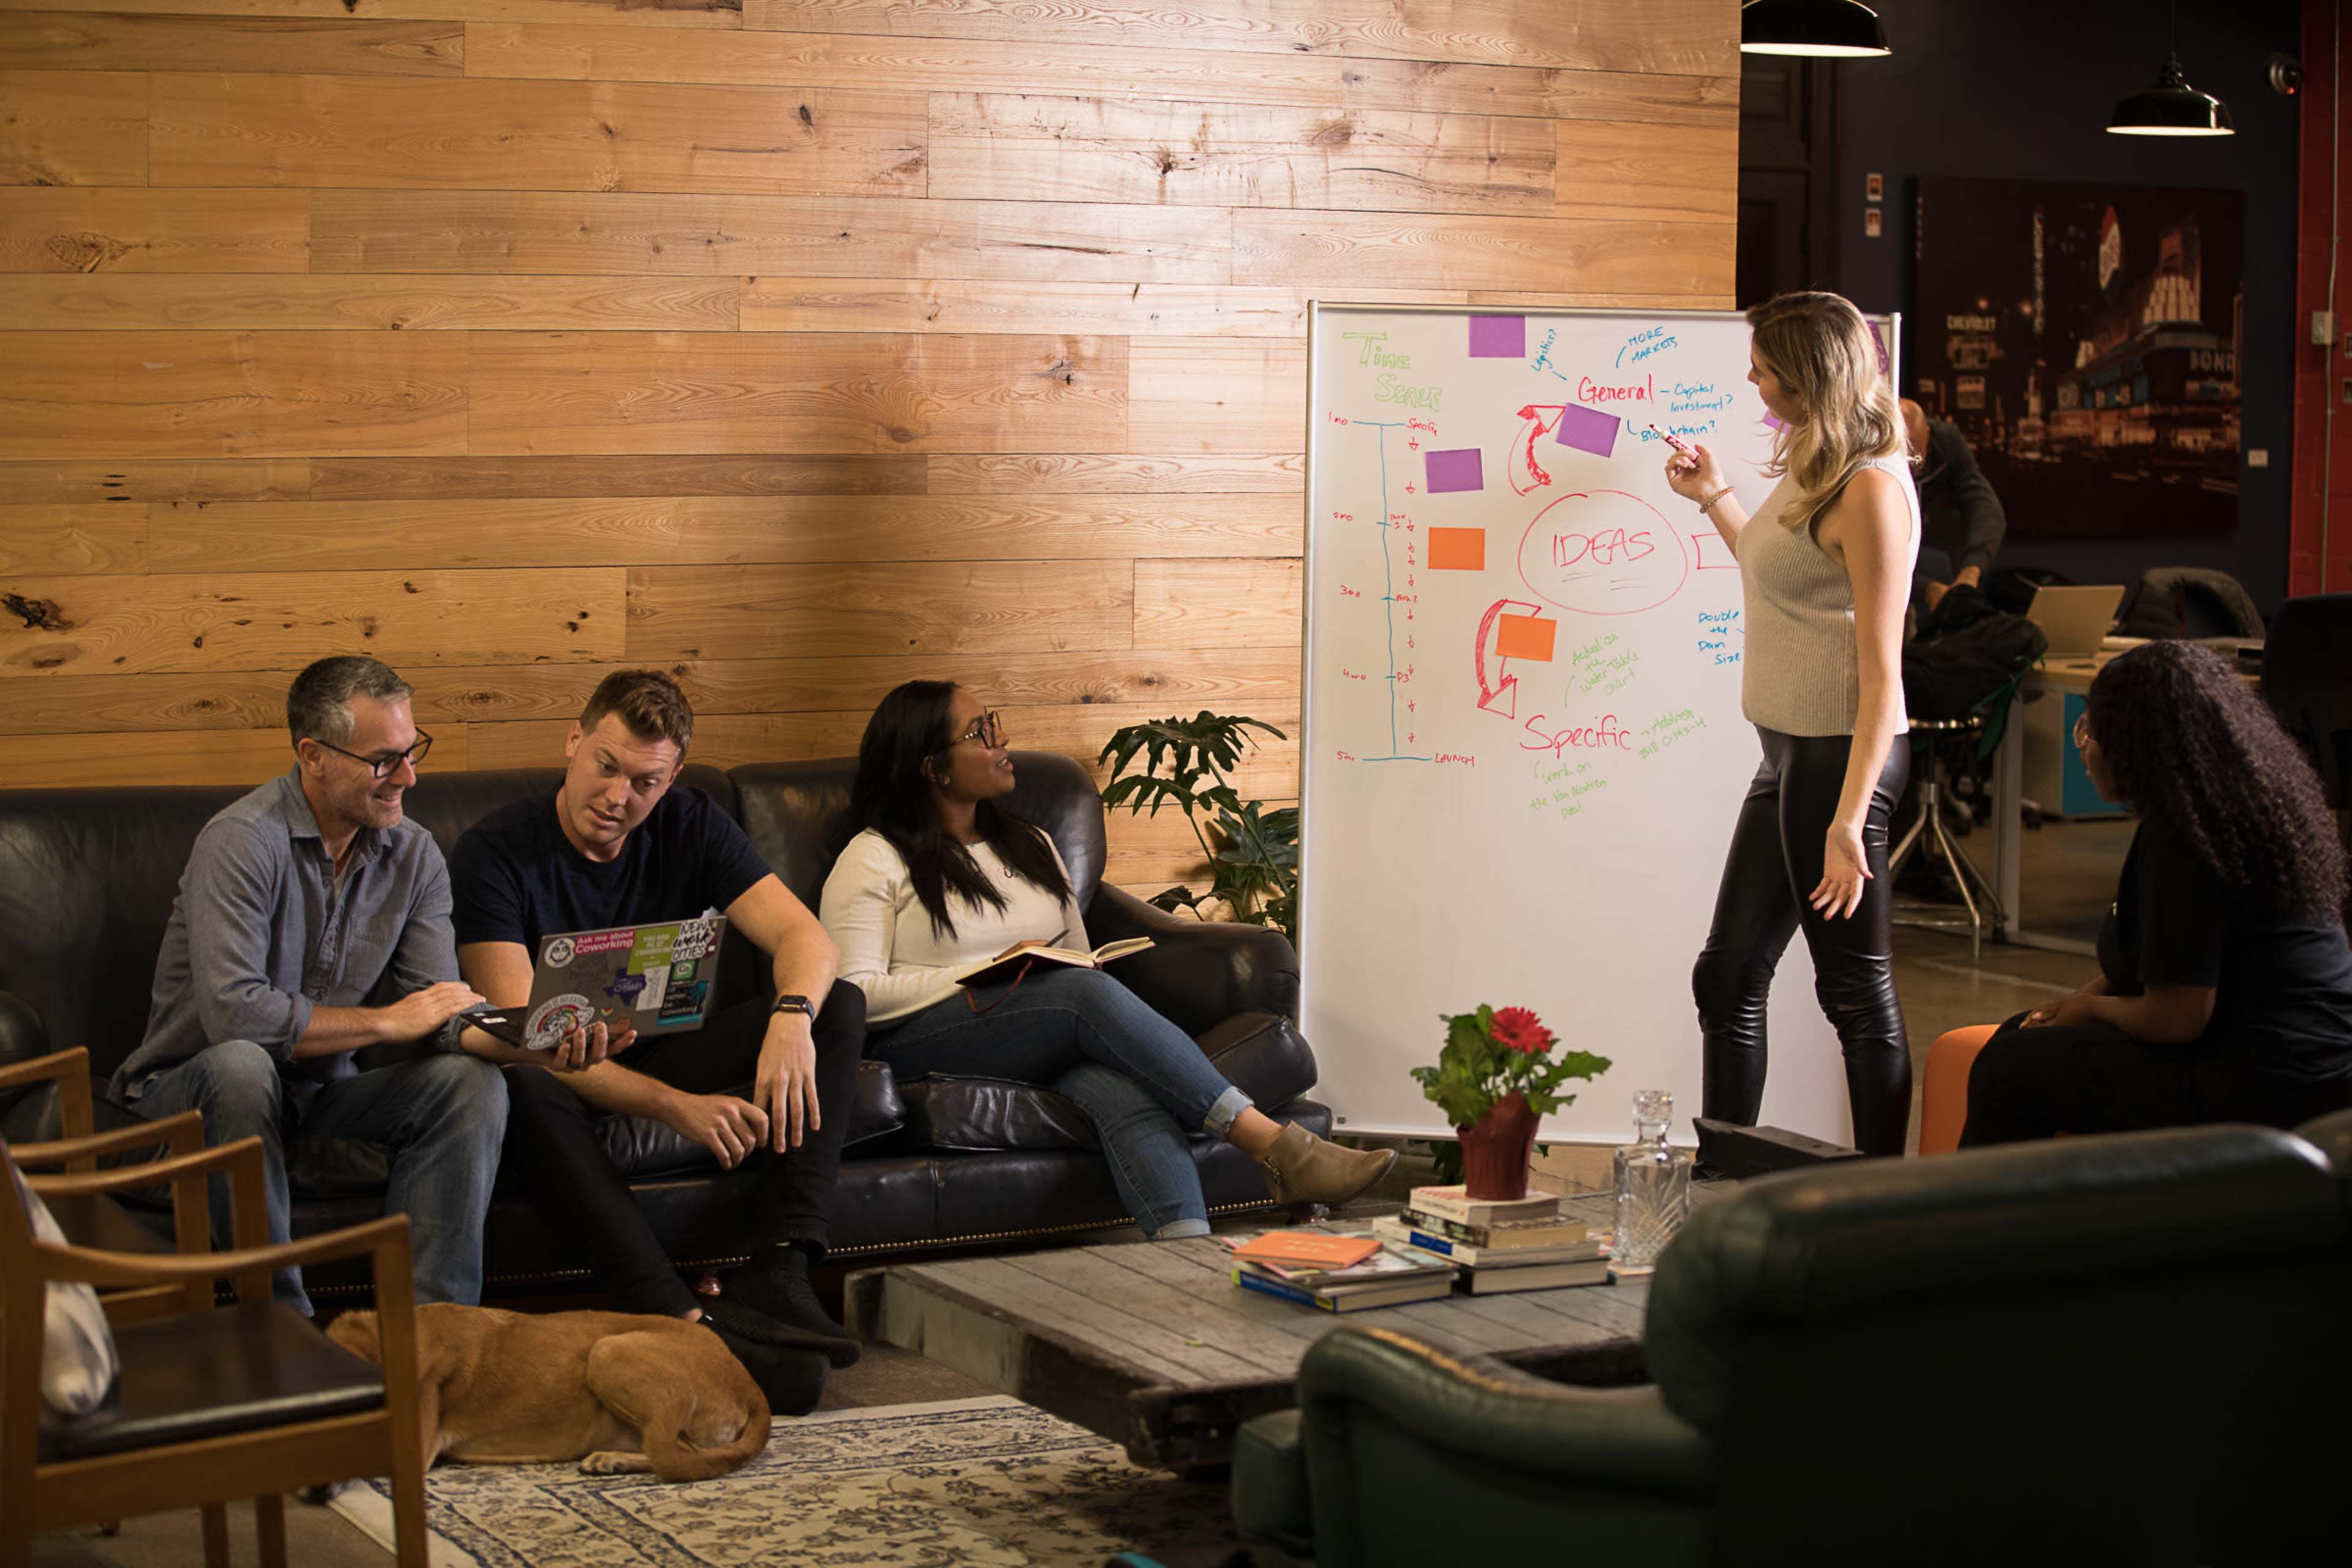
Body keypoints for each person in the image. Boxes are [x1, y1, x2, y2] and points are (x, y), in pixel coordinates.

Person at [818, 682, 1396, 1237]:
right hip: (922, 1043)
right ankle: (1276, 1147)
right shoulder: (874, 859)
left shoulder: (1032, 844)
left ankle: (1186, 1259)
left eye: (995, 725)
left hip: (1041, 1034)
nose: (1001, 743)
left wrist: (1062, 969)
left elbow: (1074, 957)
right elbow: (851, 996)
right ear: (933, 767)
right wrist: (985, 972)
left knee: (1124, 1093)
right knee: (1081, 999)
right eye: (980, 732)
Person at [448, 671, 865, 1414]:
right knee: (525, 1084)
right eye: (605, 766)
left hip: (664, 1047)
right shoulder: (495, 851)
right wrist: (677, 1108)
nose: (617, 797)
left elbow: (805, 936)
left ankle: (782, 1264)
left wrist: (791, 1016)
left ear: (670, 780)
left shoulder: (690, 822)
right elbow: (514, 1035)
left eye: (645, 782)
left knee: (838, 1005)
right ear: (575, 742)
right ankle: (681, 1321)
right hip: (560, 1076)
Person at [107, 656, 509, 1314]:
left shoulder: (416, 855)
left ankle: (433, 1338)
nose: (408, 776)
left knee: (472, 1083)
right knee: (241, 1066)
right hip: (186, 1098)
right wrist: (383, 1022)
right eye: (384, 760)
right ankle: (283, 1333)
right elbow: (236, 1017)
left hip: (319, 1095)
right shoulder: (240, 841)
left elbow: (442, 1010)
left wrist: (535, 1040)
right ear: (313, 755)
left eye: (412, 752)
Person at [1665, 292, 1923, 1157]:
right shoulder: (1812, 466)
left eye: (1765, 367)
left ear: (1810, 376)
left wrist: (1850, 821)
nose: (1751, 379)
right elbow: (1778, 575)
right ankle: (1724, 1171)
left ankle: (1883, 1195)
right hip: (1788, 756)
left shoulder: (1873, 490)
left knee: (1854, 993)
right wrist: (1716, 496)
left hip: (1842, 761)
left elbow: (1884, 674)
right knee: (1728, 975)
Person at [1961, 642, 2352, 1145]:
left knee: (2009, 1068)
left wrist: (2092, 1010)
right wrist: (2084, 998)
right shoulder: (2248, 805)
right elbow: (2169, 961)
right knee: (2024, 1033)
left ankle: (1979, 1221)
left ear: (2137, 745)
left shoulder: (2187, 840)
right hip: (2313, 1063)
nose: (2084, 746)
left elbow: (2179, 1016)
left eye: (2093, 731)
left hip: (2267, 1082)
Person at [1900, 398, 2007, 608]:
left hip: (1918, 549)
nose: (1911, 471)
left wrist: (1972, 571)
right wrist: (1925, 589)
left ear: (1928, 433)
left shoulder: (1946, 440)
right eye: (1905, 463)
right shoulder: (1862, 454)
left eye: (1917, 462)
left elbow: (1985, 507)